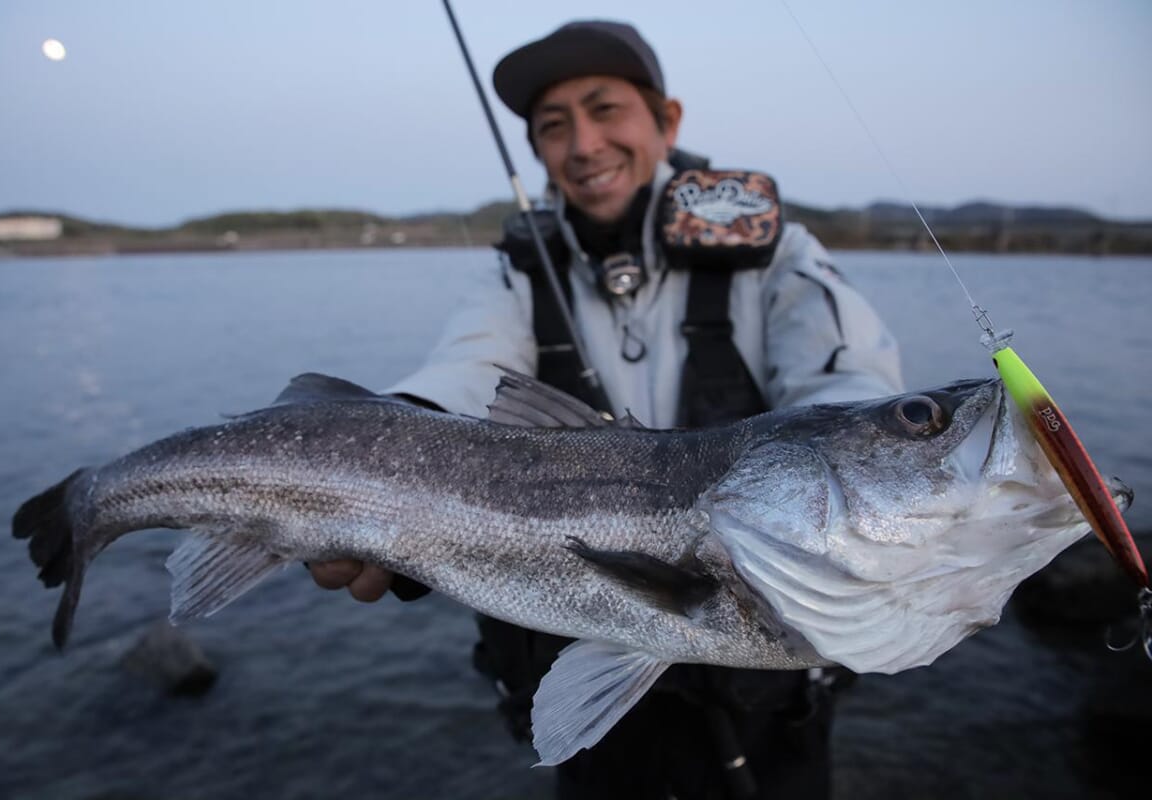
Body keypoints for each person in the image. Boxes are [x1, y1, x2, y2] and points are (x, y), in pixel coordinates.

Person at [309, 19, 904, 800]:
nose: (583, 144)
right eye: (553, 126)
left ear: (668, 121)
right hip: (586, 698)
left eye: (605, 110)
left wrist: (892, 482)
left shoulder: (775, 253)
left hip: (766, 704)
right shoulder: (517, 273)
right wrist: (380, 455)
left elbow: (846, 386)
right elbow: (463, 371)